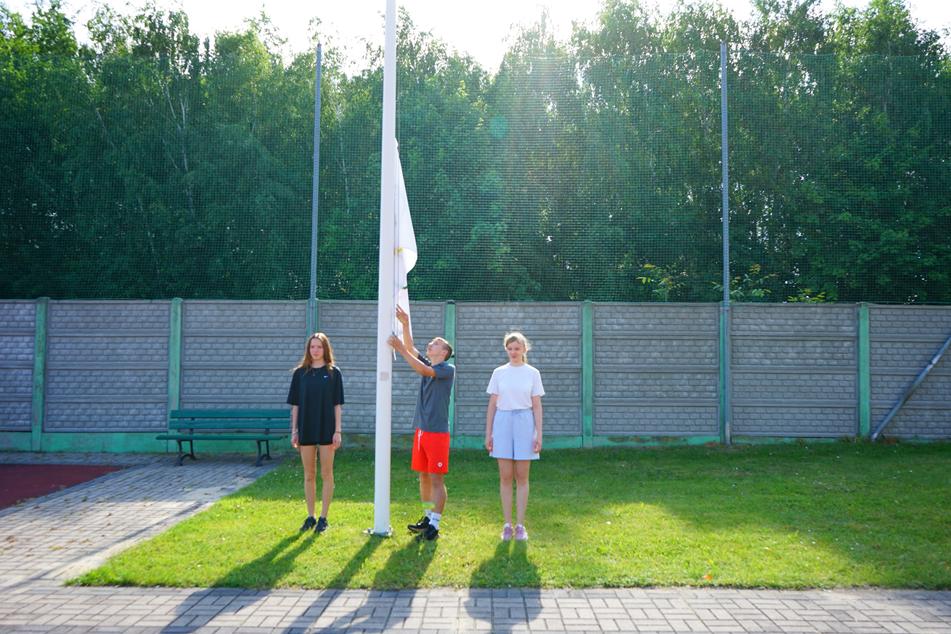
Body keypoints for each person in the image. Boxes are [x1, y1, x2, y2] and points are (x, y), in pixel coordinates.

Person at [388, 305, 455, 541]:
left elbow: (422, 370)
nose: (431, 344)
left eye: (436, 343)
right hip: (422, 431)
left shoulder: (447, 369)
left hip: (437, 433)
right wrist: (405, 323)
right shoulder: (430, 364)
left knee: (436, 479)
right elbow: (411, 349)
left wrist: (400, 349)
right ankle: (427, 516)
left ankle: (435, 524)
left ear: (444, 352)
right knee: (424, 477)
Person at [484, 332, 544, 542]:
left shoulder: (533, 373)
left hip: (525, 423)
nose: (513, 352)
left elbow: (537, 406)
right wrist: (489, 433)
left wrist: (538, 434)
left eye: (517, 348)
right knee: (505, 476)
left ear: (524, 349)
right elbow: (492, 405)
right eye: (510, 349)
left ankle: (520, 525)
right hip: (502, 422)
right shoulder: (499, 372)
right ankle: (507, 525)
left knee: (522, 476)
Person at [287, 332, 344, 533]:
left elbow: (337, 405)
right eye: (312, 346)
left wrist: (338, 431)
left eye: (319, 346)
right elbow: (295, 405)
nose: (315, 350)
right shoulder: (299, 374)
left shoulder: (334, 373)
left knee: (326, 473)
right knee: (309, 474)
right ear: (308, 349)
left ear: (325, 349)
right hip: (306, 428)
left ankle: (323, 518)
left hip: (327, 428)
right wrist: (294, 430)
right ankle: (310, 516)